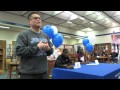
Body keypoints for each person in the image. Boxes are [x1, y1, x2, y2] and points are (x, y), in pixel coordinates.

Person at [15, 12, 53, 79]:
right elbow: (19, 51)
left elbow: (50, 51)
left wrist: (48, 49)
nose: (38, 20)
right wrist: (37, 47)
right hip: (28, 74)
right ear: (29, 22)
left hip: (44, 73)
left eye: (39, 18)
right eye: (35, 18)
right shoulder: (23, 34)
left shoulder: (45, 36)